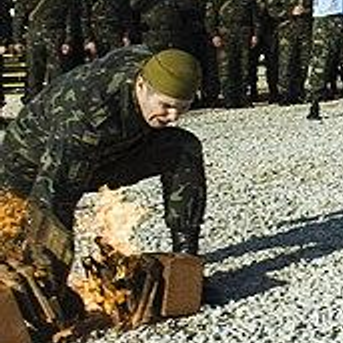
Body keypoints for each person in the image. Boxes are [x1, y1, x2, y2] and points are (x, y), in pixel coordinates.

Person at [0, 47, 205, 292]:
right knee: (15, 237)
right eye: (166, 106)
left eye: (182, 108)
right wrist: (52, 282)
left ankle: (185, 260)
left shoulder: (153, 64)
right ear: (141, 85)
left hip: (108, 150)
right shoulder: (88, 114)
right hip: (29, 164)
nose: (173, 117)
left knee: (183, 147)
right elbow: (55, 198)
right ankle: (42, 289)